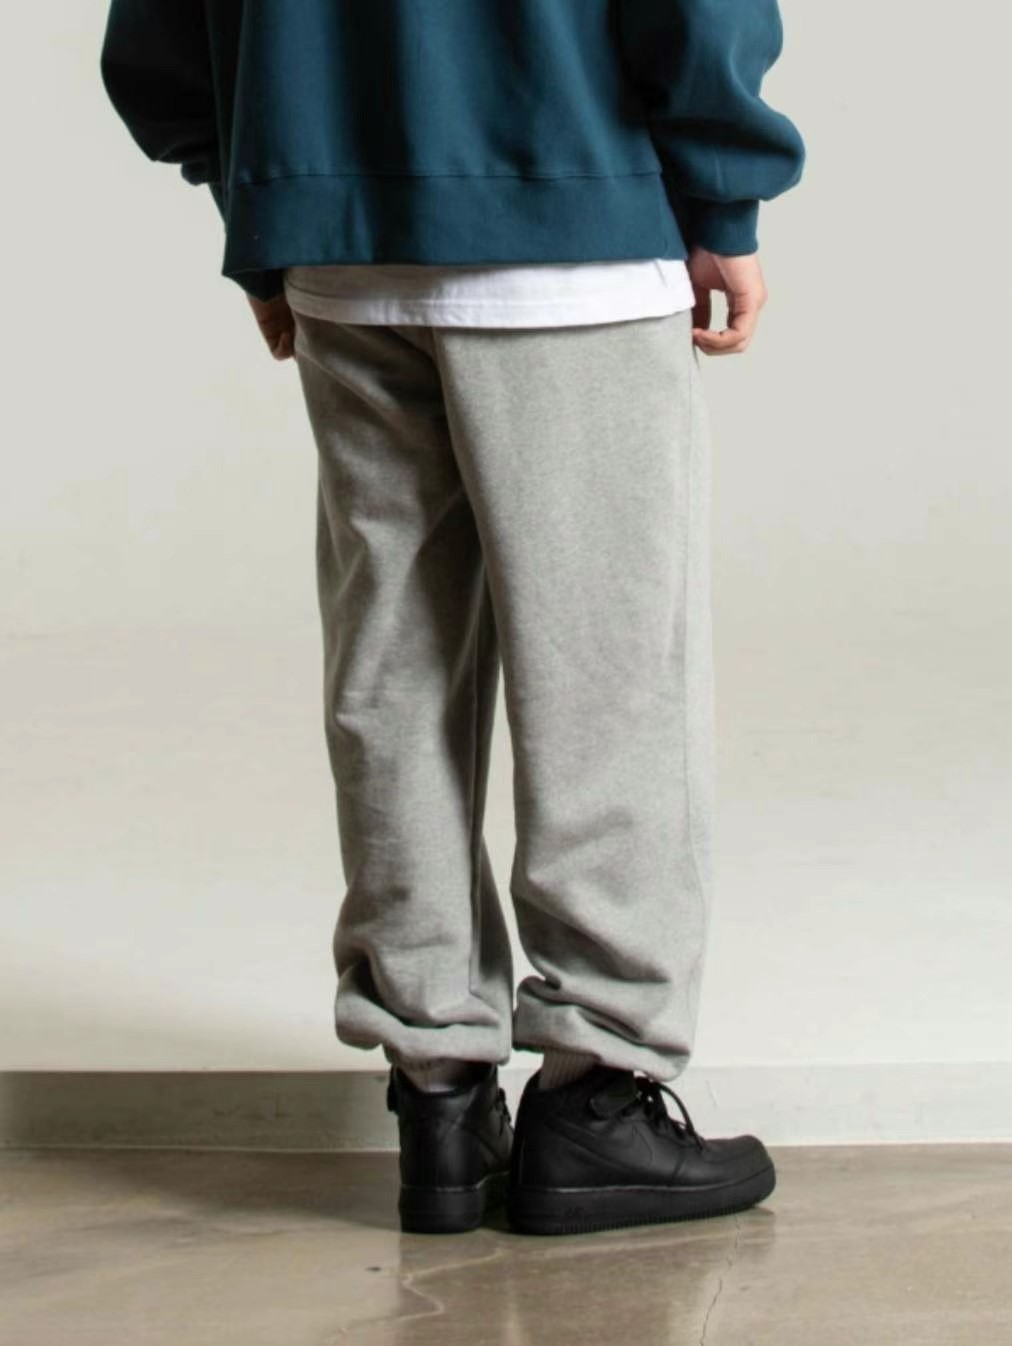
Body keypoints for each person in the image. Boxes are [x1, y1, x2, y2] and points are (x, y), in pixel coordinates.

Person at [100, 0, 804, 1237]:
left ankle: (436, 1089)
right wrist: (724, 199)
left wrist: (267, 212)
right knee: (609, 679)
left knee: (394, 673)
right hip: (570, 223)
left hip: (339, 241)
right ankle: (598, 1093)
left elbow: (155, 38)